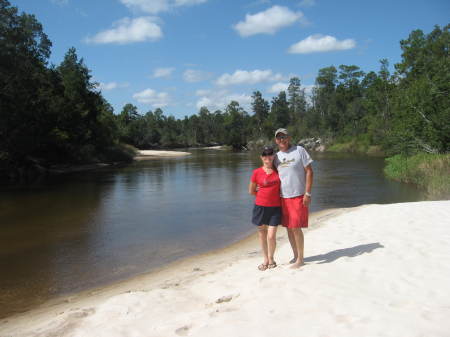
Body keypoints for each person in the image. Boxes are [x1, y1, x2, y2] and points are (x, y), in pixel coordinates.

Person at [274, 128, 313, 269]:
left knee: (296, 227)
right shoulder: (276, 157)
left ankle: (301, 259)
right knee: (289, 228)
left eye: (283, 137)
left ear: (288, 138)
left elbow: (309, 171)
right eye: (279, 138)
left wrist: (307, 193)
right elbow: (272, 176)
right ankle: (296, 255)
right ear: (276, 140)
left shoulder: (299, 150)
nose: (281, 140)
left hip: (298, 195)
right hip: (283, 197)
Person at [248, 146, 281, 271]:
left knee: (271, 236)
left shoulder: (279, 170)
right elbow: (251, 191)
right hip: (260, 207)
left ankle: (272, 258)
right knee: (262, 235)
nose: (268, 157)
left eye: (270, 154)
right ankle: (266, 259)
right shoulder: (256, 172)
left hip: (275, 208)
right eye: (265, 155)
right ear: (261, 157)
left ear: (274, 156)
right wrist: (262, 195)